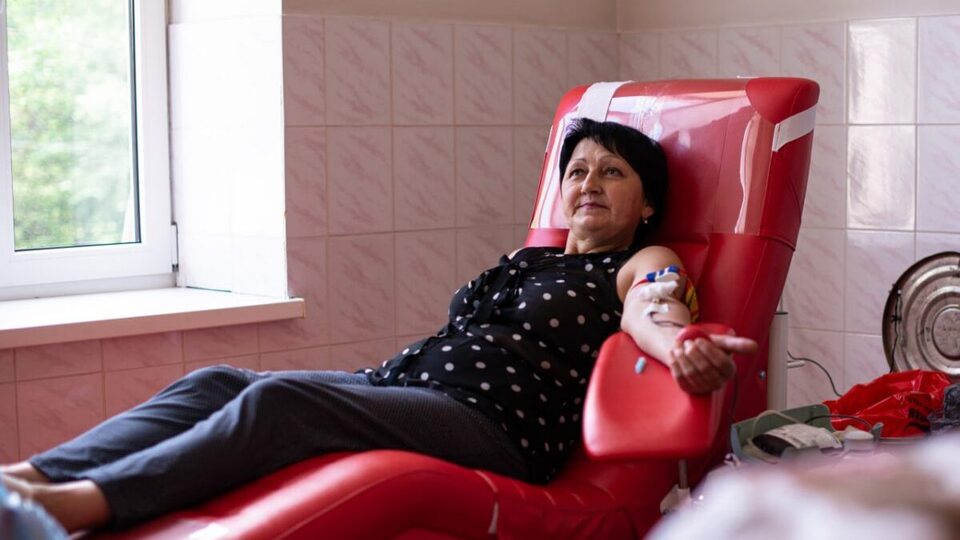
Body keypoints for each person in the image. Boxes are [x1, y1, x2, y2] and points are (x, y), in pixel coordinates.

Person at [0, 118, 757, 533]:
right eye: (578, 171)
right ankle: (34, 477)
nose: (589, 182)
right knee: (216, 382)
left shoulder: (637, 260)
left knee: (279, 404)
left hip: (497, 424)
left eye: (612, 172)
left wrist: (678, 345)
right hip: (406, 388)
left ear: (646, 203)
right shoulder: (529, 258)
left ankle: (81, 506)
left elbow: (655, 305)